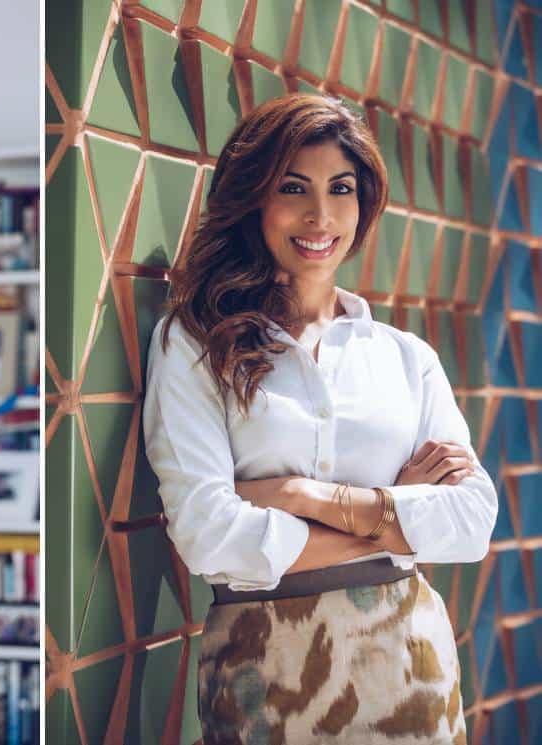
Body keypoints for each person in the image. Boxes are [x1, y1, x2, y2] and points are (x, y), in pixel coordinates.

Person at [143, 93, 498, 743]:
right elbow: (206, 534)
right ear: (254, 199)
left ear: (364, 204)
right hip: (263, 671)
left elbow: (471, 524)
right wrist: (396, 519)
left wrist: (303, 496)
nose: (320, 215)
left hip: (409, 668)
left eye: (341, 189)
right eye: (293, 187)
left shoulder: (406, 358)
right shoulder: (194, 342)